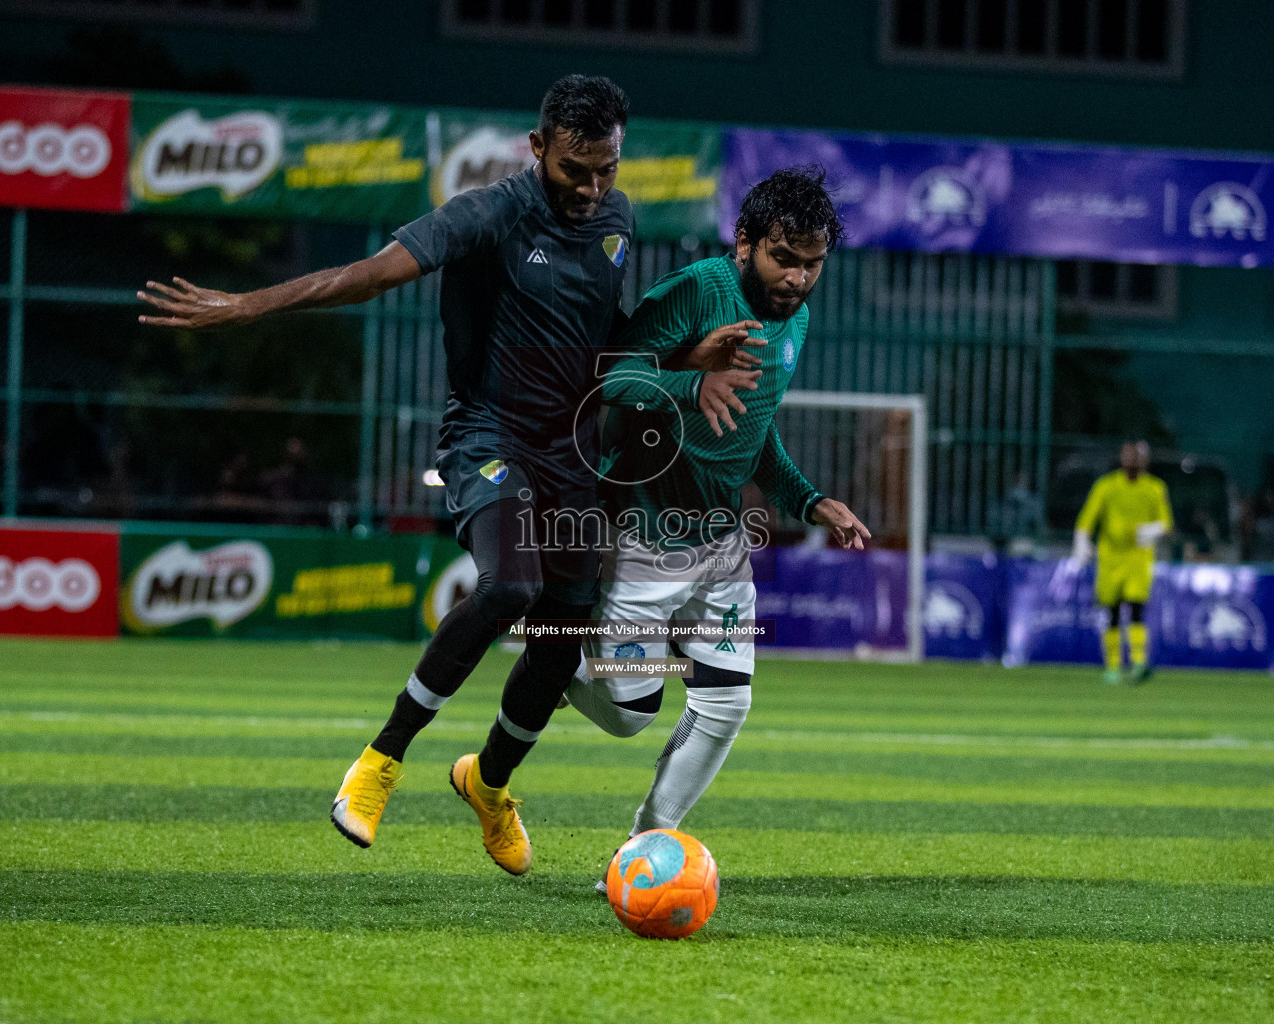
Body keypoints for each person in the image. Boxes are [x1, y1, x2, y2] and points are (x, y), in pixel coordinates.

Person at [137, 74, 634, 874]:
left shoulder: (617, 218)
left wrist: (688, 359)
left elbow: (604, 334)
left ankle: (491, 785)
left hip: (570, 453)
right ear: (537, 147)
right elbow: (372, 274)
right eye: (576, 168)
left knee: (564, 636)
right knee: (511, 589)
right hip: (488, 435)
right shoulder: (492, 212)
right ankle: (381, 760)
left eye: (606, 167)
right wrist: (248, 306)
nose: (592, 186)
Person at [559, 167, 869, 880]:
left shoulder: (797, 319)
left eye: (811, 264)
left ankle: (648, 842)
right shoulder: (698, 290)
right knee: (632, 714)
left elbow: (752, 427)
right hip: (643, 529)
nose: (795, 278)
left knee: (728, 700)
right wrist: (692, 382)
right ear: (745, 242)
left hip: (722, 541)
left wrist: (808, 498)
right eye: (782, 258)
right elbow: (612, 379)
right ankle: (553, 665)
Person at [1073, 441, 1173, 685]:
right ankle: (1113, 667)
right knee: (1113, 612)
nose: (1133, 460)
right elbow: (1087, 519)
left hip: (1138, 559)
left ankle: (1139, 662)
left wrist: (1149, 531)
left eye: (1137, 456)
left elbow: (1166, 524)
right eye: (1129, 455)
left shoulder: (1154, 488)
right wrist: (1082, 543)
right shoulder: (1106, 486)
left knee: (1137, 608)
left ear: (1145, 460)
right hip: (1110, 559)